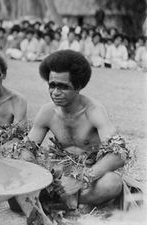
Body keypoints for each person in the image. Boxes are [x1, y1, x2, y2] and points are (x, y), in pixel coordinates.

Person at [23, 50, 132, 209]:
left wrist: (82, 179)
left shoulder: (94, 111)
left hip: (90, 178)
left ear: (79, 86)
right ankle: (65, 202)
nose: (55, 92)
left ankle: (57, 203)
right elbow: (27, 148)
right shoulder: (47, 112)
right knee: (17, 185)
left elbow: (119, 155)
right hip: (58, 175)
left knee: (112, 183)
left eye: (63, 87)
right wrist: (39, 175)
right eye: (52, 85)